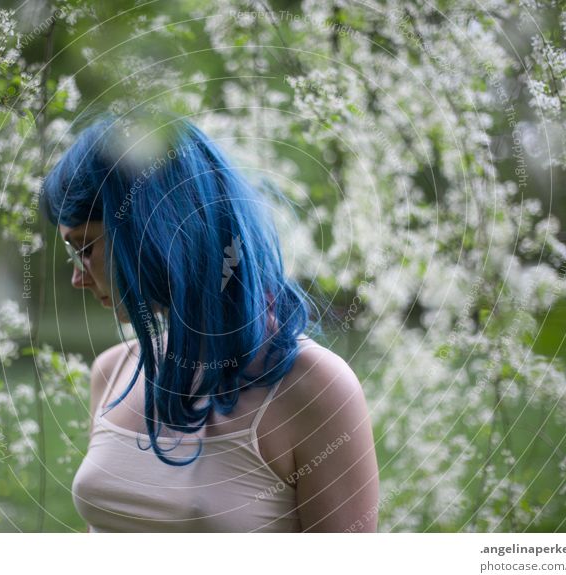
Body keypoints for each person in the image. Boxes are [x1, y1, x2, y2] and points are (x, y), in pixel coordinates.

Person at [41, 111, 379, 532]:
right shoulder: (112, 372)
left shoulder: (315, 388)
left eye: (84, 248)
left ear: (155, 229)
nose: (77, 277)